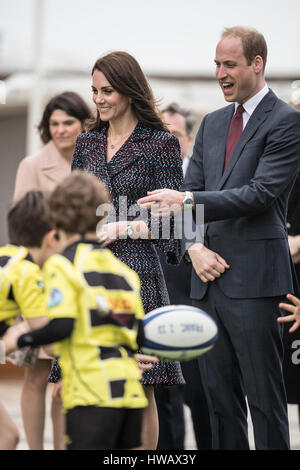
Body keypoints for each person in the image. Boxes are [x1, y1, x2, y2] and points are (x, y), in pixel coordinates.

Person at [138, 26, 300, 450]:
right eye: (217, 64)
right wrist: (193, 248)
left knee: (265, 402)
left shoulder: (287, 122)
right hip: (205, 285)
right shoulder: (210, 123)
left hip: (257, 284)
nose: (220, 73)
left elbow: (260, 193)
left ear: (257, 64)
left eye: (229, 64)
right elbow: (185, 205)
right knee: (219, 403)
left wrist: (187, 197)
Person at [70, 51, 185, 449]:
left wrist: (127, 226)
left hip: (139, 276)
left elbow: (178, 221)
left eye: (108, 91)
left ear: (129, 91)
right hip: (91, 273)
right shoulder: (85, 143)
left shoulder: (161, 144)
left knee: (142, 385)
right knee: (88, 379)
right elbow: (73, 210)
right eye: (95, 91)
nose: (99, 99)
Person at [1, 171, 157, 450]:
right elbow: (136, 334)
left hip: (90, 394)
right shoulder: (122, 270)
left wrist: (19, 338)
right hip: (130, 394)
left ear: (56, 219)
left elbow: (63, 325)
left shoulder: (62, 266)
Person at [13, 91, 91, 450]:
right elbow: (23, 226)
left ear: (84, 124)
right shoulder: (31, 165)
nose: (60, 130)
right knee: (35, 373)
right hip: (38, 280)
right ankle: (35, 447)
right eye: (54, 124)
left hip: (81, 278)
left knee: (66, 375)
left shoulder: (95, 161)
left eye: (68, 123)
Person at [155, 103, 211, 450]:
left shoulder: (206, 183)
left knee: (206, 400)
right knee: (164, 404)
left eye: (174, 136)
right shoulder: (146, 182)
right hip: (158, 303)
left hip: (200, 304)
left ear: (189, 140)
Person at [0, 190, 62, 449]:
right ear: (51, 237)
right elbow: (50, 343)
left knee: (8, 436)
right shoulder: (26, 273)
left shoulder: (7, 256)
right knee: (7, 436)